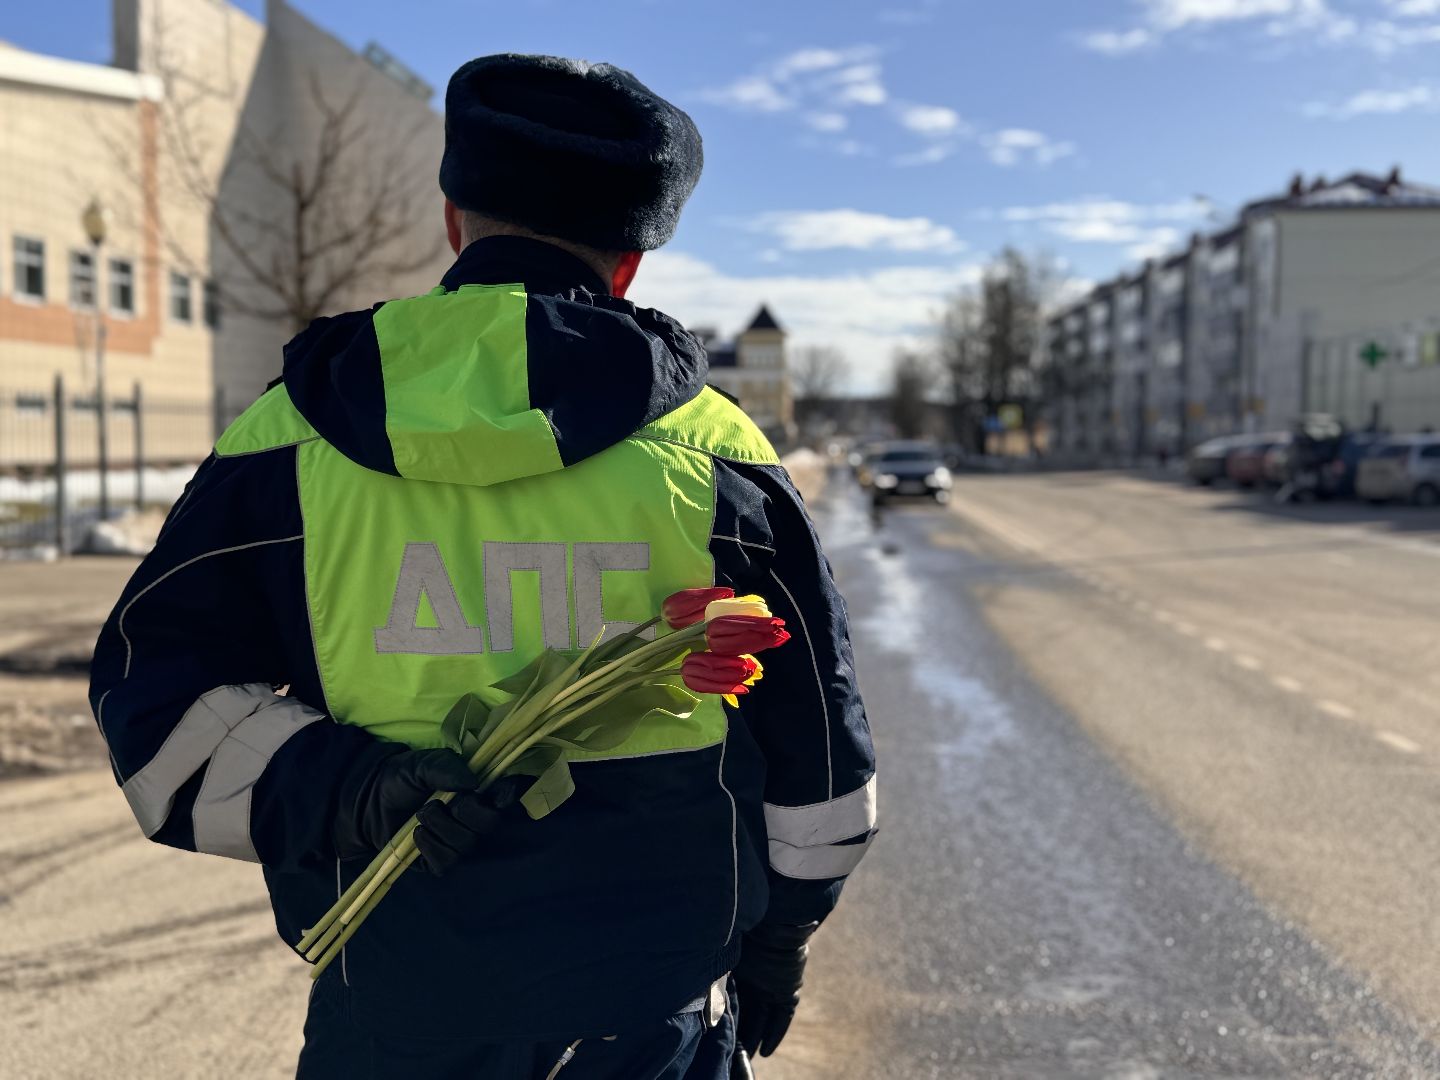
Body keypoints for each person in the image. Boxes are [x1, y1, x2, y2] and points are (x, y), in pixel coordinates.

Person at [89, 54, 876, 1080]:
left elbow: (155, 712)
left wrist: (352, 789)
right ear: (629, 262)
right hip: (652, 1014)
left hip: (396, 997)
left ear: (455, 220)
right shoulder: (719, 453)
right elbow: (822, 754)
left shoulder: (289, 437)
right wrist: (779, 946)